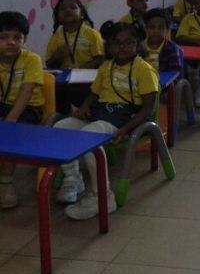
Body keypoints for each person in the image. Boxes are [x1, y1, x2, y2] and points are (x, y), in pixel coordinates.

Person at [54, 23, 159, 219]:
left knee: (88, 139)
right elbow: (94, 94)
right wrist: (85, 106)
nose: (121, 47)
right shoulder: (106, 67)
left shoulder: (144, 69)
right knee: (60, 127)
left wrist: (125, 129)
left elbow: (147, 108)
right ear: (109, 46)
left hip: (125, 118)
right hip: (101, 112)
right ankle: (73, 179)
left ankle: (102, 196)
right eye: (116, 43)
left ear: (137, 44)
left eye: (128, 42)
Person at [0, 12, 45, 209]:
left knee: (10, 134)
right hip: (3, 105)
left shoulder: (31, 59)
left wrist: (10, 120)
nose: (11, 42)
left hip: (28, 108)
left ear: (24, 39)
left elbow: (27, 92)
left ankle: (5, 184)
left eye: (17, 37)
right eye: (4, 37)